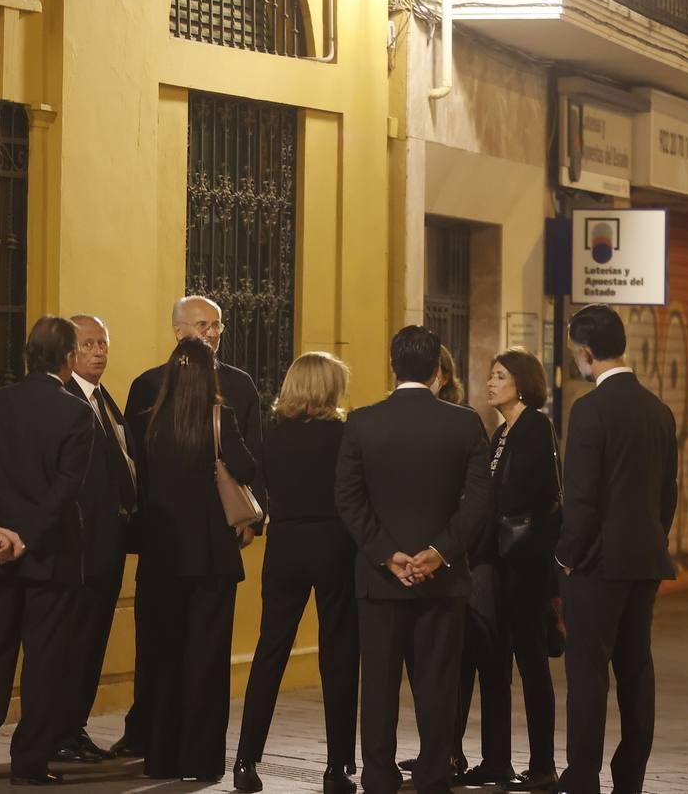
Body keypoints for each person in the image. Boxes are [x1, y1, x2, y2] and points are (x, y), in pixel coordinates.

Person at [334, 326, 493, 794]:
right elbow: (478, 502)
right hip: (443, 580)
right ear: (438, 370)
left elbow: (348, 498)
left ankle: (379, 775)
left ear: (392, 366)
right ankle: (433, 773)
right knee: (438, 685)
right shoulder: (465, 423)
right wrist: (439, 553)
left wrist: (387, 554)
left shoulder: (362, 422)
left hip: (380, 581)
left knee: (378, 685)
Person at [112, 294, 262, 757]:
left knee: (172, 644)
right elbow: (132, 465)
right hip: (186, 542)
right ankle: (162, 738)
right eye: (202, 325)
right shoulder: (147, 386)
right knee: (166, 646)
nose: (211, 333)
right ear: (178, 332)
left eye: (217, 325)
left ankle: (162, 749)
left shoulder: (240, 385)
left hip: (181, 540)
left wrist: (253, 520)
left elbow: (257, 455)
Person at [0, 316, 95, 786]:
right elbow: (65, 489)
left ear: (27, 355)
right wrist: (24, 537)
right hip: (50, 556)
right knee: (44, 660)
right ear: (69, 359)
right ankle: (29, 762)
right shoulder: (76, 413)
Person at [556, 305, 677, 794]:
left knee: (588, 673)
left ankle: (583, 776)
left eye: (575, 353)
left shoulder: (589, 410)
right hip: (644, 560)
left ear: (586, 353)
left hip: (596, 564)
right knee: (636, 669)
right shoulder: (658, 410)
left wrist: (566, 557)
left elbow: (581, 499)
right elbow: (667, 494)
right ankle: (630, 777)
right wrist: (653, 536)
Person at [233, 352, 359, 794]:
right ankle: (337, 768)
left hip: (285, 546)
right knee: (339, 653)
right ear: (329, 388)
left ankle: (245, 761)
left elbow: (261, 493)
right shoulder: (345, 435)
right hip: (334, 545)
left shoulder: (273, 437)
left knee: (270, 650)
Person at [139, 337, 256, 782]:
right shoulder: (220, 418)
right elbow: (246, 469)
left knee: (165, 657)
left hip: (162, 555)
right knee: (207, 659)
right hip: (210, 558)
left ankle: (160, 758)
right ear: (210, 377)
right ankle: (201, 760)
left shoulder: (150, 422)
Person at [453, 348, 561, 791]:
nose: (491, 383)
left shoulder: (535, 426)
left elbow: (533, 494)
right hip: (495, 562)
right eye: (491, 375)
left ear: (522, 382)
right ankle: (496, 760)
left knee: (531, 664)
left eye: (500, 375)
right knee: (493, 663)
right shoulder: (501, 432)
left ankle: (543, 766)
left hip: (525, 565)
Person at [51, 315, 138, 764]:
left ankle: (74, 727)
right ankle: (58, 731)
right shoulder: (65, 400)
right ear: (69, 352)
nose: (99, 351)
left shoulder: (104, 399)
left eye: (103, 343)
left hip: (109, 546)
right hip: (78, 550)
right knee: (72, 643)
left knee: (92, 643)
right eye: (88, 344)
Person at [400, 344, 473, 778]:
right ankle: (436, 751)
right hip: (415, 560)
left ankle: (445, 752)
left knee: (446, 667)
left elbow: (472, 498)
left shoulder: (462, 422)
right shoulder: (398, 419)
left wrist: (438, 551)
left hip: (446, 560)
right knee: (421, 664)